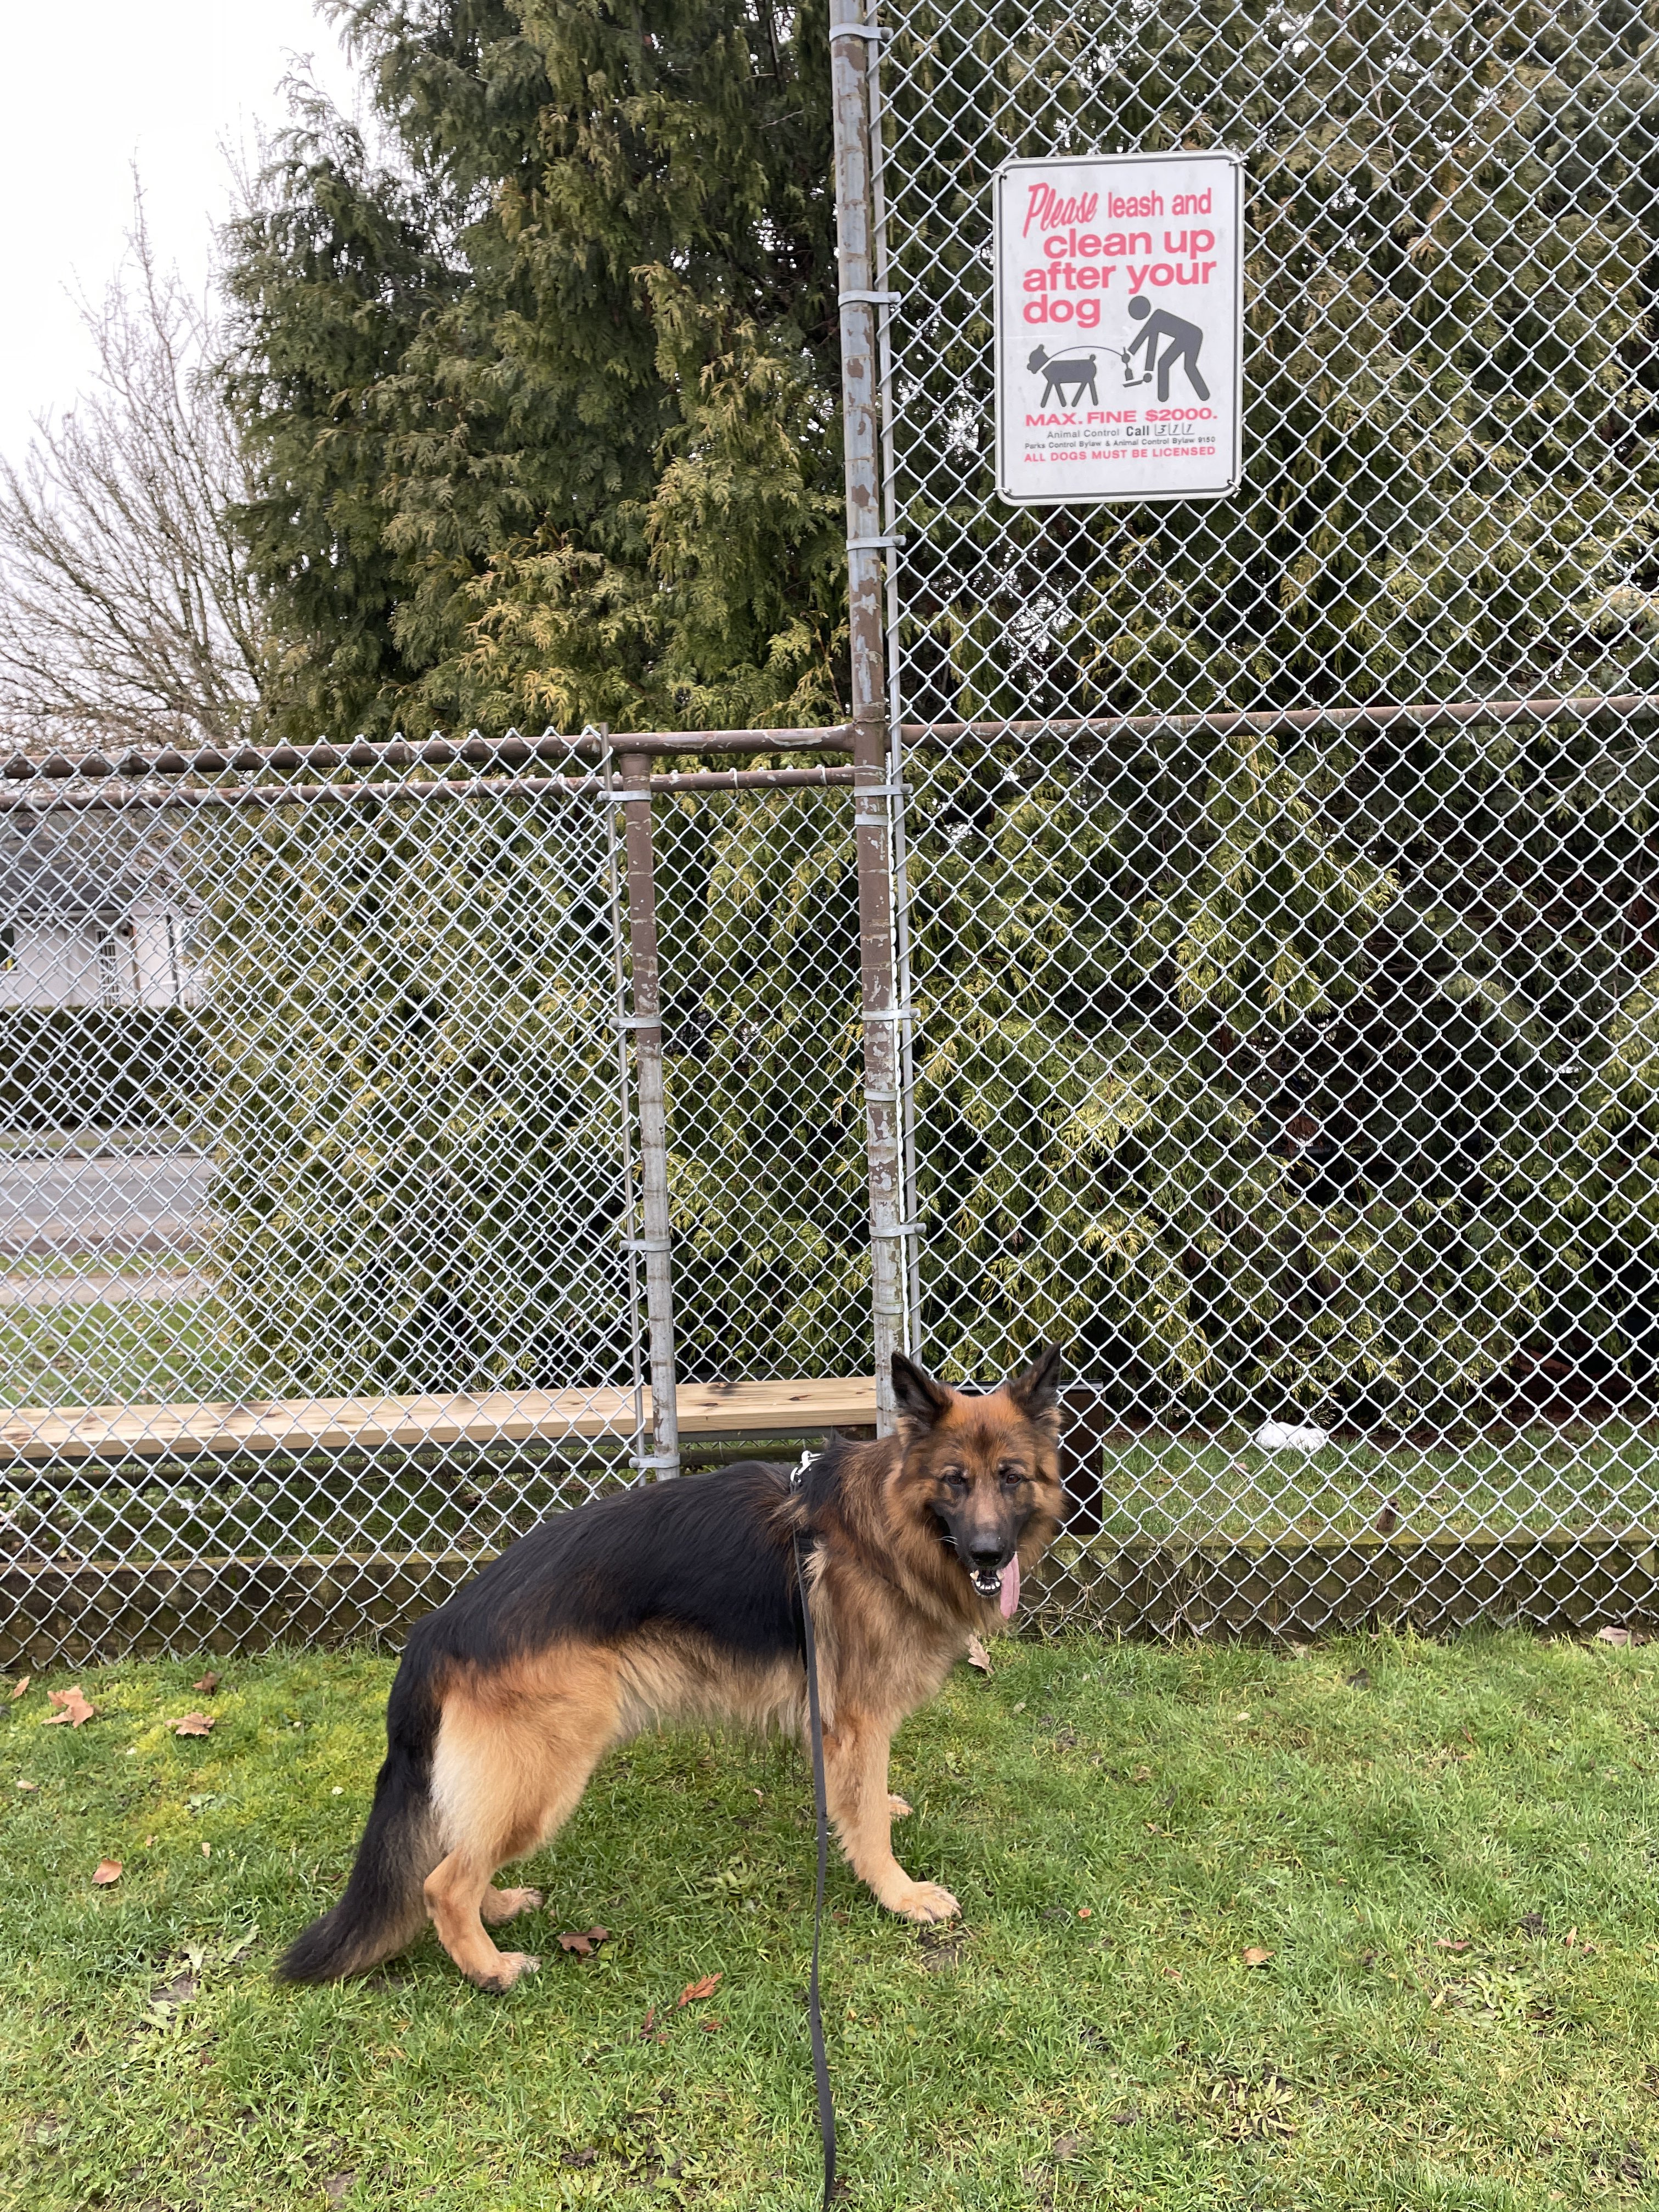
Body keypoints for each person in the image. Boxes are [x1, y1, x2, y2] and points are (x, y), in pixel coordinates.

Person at [1122, 296, 1209, 402]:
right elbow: (1144, 336)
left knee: (1183, 366)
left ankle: (1202, 396)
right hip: (1189, 335)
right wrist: (1131, 353)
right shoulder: (1156, 318)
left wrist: (1147, 369)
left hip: (1192, 335)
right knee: (1167, 364)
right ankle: (1164, 399)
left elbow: (1151, 344)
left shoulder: (1156, 319)